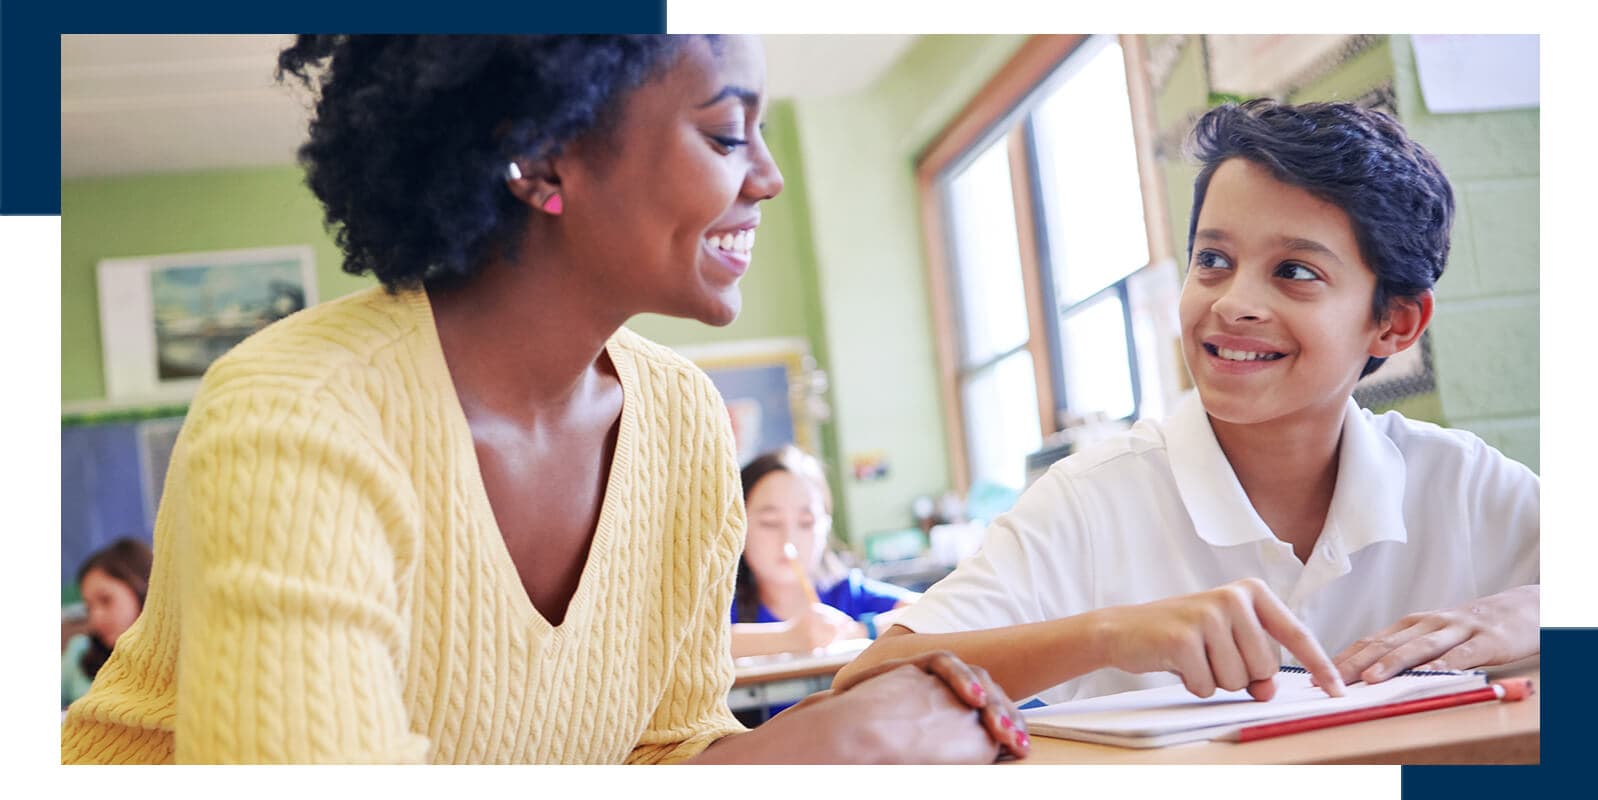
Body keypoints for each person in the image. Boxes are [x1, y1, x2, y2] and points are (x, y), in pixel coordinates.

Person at [61, 35, 1028, 764]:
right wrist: (829, 751)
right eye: (728, 132)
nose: (767, 177)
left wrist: (851, 730)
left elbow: (666, 752)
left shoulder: (685, 424)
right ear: (541, 158)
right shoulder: (300, 413)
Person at [839, 99, 1538, 707]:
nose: (1232, 304)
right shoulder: (1092, 499)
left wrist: (1536, 611)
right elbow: (869, 678)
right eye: (1213, 261)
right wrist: (1107, 634)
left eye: (1294, 272)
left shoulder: (1462, 484)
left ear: (1397, 321)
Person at [730, 445, 916, 659]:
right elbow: (696, 646)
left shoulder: (848, 594)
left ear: (825, 527)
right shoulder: (721, 605)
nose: (789, 540)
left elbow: (934, 610)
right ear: (738, 525)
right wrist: (790, 637)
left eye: (806, 522)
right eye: (770, 523)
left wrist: (859, 631)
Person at [61, 538, 154, 709]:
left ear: (141, 590)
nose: (95, 618)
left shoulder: (171, 655)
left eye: (106, 600)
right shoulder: (79, 652)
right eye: (88, 607)